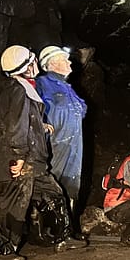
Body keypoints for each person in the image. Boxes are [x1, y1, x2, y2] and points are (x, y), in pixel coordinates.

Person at [0, 45, 85, 260]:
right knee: (14, 204)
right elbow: (15, 127)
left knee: (54, 194)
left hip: (34, 160)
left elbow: (25, 120)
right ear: (25, 66)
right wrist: (19, 156)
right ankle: (3, 250)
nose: (35, 65)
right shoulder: (18, 91)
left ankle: (63, 238)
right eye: (32, 62)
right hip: (22, 159)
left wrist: (41, 126)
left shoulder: (24, 88)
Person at [35, 46, 87, 217]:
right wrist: (42, 125)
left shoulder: (67, 87)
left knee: (71, 184)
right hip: (55, 143)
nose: (69, 62)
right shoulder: (42, 83)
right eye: (65, 59)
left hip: (73, 145)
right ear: (52, 63)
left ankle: (68, 227)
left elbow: (82, 108)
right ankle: (52, 229)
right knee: (54, 184)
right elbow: (31, 109)